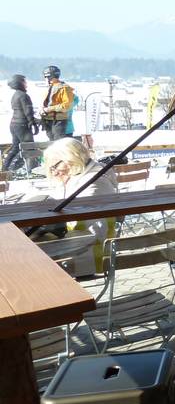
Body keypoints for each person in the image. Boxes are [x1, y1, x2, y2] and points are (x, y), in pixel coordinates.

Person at [41, 137, 117, 273]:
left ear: (69, 160)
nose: (53, 172)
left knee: (33, 248)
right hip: (81, 239)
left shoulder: (94, 183)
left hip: (89, 249)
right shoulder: (85, 174)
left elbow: (73, 216)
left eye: (54, 166)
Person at [4, 74, 40, 172]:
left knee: (16, 147)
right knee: (29, 148)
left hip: (14, 124)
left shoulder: (15, 95)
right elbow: (27, 111)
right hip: (22, 124)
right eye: (24, 81)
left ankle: (5, 168)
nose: (26, 83)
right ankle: (30, 170)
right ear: (19, 83)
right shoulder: (23, 95)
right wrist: (33, 122)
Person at [39, 65, 74, 141]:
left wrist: (49, 109)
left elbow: (66, 106)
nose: (45, 79)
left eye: (46, 77)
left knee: (58, 142)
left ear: (50, 77)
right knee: (52, 142)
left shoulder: (64, 88)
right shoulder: (51, 87)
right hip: (49, 120)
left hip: (58, 121)